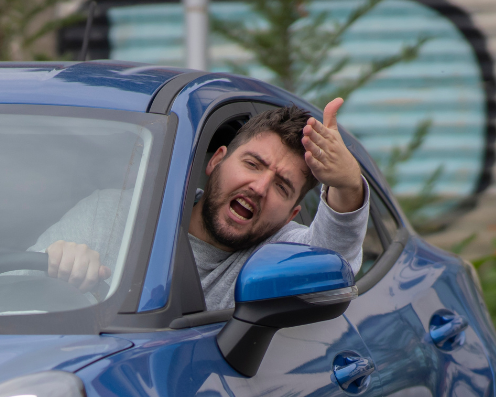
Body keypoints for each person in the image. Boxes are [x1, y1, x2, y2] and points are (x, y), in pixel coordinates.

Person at [42, 98, 369, 310]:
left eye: (282, 187)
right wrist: (57, 269)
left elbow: (333, 259)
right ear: (216, 161)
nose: (259, 187)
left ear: (290, 216)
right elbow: (8, 287)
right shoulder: (115, 213)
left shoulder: (277, 252)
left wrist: (348, 183)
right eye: (253, 164)